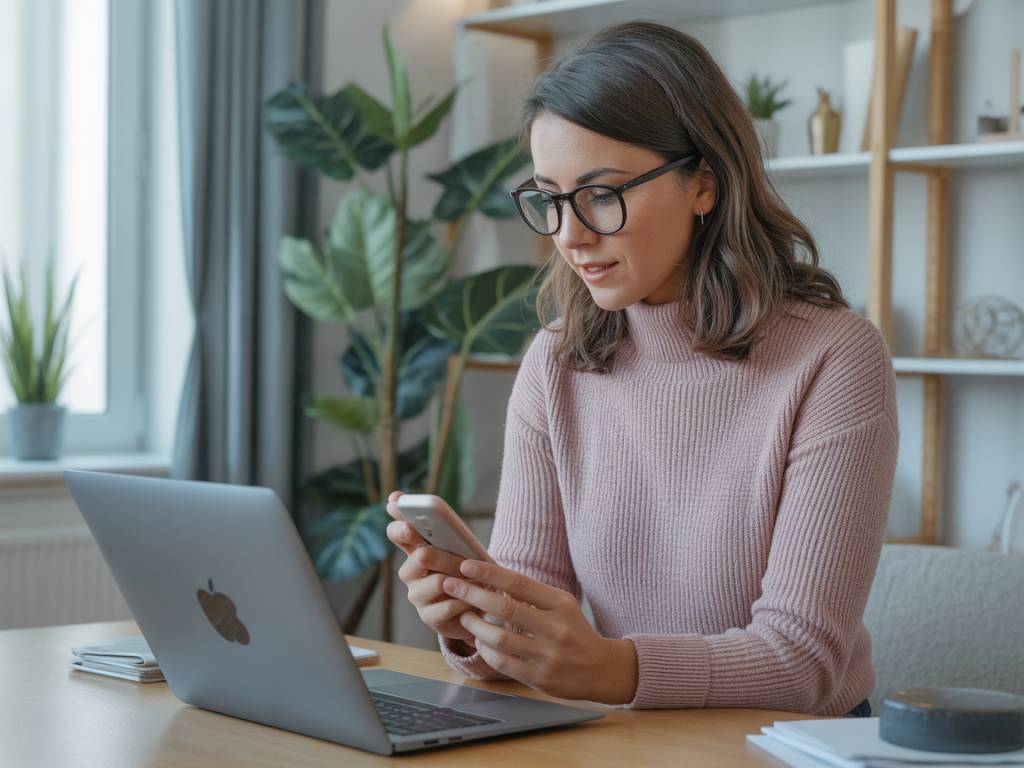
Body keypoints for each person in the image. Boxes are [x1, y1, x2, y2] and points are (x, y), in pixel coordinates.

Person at [386, 20, 898, 716]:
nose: (570, 235)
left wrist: (609, 668)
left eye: (602, 194)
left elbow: (801, 661)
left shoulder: (835, 358)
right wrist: (476, 628)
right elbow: (537, 606)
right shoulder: (556, 362)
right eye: (552, 198)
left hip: (787, 742)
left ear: (705, 185)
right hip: (637, 734)